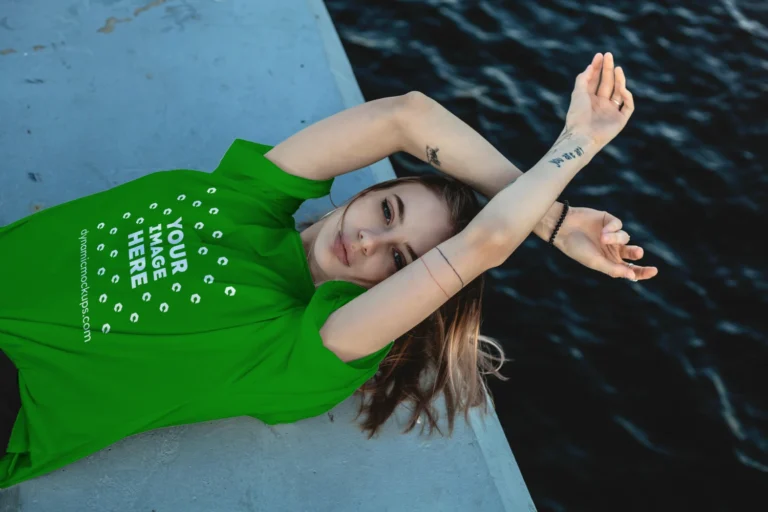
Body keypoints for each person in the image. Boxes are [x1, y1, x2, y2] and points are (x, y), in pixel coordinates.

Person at [0, 52, 657, 488]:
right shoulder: (249, 194)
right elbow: (404, 117)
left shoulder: (303, 351)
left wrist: (578, 144)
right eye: (388, 209)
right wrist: (556, 214)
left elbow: (484, 244)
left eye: (400, 261)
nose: (369, 240)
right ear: (363, 193)